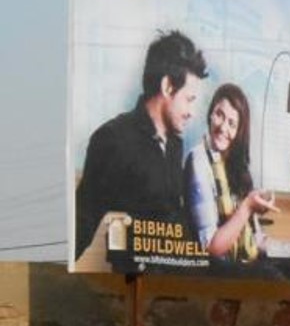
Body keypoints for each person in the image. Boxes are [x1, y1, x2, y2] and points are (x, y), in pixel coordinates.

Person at [75, 30, 209, 260]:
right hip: (141, 277)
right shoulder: (112, 140)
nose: (192, 113)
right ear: (167, 87)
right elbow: (82, 224)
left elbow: (173, 218)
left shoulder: (176, 142)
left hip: (179, 266)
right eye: (189, 100)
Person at [184, 83, 276, 263]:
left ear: (239, 131)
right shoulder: (198, 162)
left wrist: (287, 248)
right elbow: (211, 246)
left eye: (232, 124)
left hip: (244, 259)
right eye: (219, 115)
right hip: (215, 270)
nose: (223, 128)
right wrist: (248, 206)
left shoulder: (233, 163)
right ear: (210, 113)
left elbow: (251, 235)